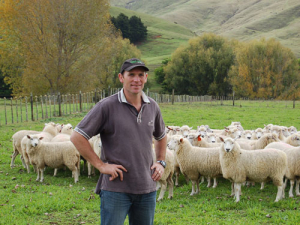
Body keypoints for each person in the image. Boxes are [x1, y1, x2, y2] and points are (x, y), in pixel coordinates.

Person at [70, 58, 167, 225]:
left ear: (146, 78)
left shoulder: (152, 106)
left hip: (146, 187)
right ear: (121, 77)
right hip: (116, 189)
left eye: (140, 75)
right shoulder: (106, 106)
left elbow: (161, 135)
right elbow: (77, 136)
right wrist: (101, 165)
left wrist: (161, 162)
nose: (136, 79)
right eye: (131, 75)